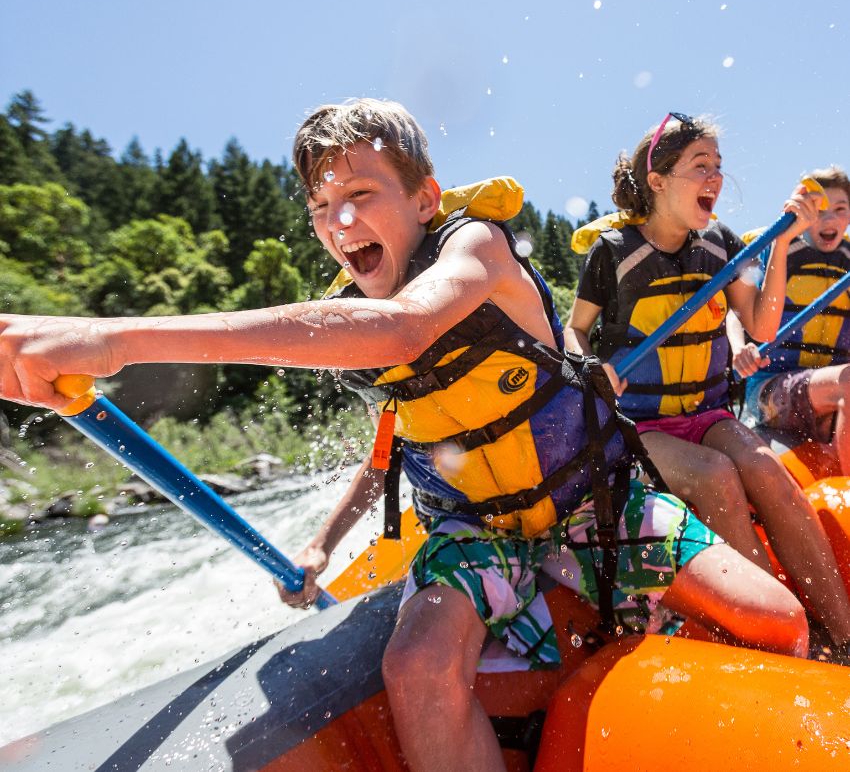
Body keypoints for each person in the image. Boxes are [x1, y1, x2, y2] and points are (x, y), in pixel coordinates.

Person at [0, 100, 808, 772]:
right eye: (320, 207)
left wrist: (111, 341)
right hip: (477, 531)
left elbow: (400, 329)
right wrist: (319, 547)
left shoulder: (476, 247)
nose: (338, 221)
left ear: (426, 199)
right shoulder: (354, 322)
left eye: (360, 192)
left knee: (776, 622)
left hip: (591, 502)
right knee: (415, 663)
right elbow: (386, 455)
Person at [564, 112, 850, 655]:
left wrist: (783, 244)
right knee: (717, 477)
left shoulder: (721, 244)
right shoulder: (614, 253)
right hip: (643, 428)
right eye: (701, 166)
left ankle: (845, 634)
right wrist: (590, 368)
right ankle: (791, 641)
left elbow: (762, 327)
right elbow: (576, 328)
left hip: (710, 414)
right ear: (658, 180)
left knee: (766, 469)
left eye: (718, 166)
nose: (715, 178)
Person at [731, 167, 850, 473]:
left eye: (840, 210)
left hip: (827, 393)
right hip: (771, 391)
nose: (830, 220)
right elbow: (735, 312)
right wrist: (739, 349)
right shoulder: (778, 250)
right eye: (820, 211)